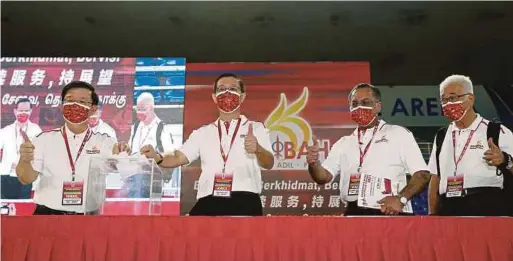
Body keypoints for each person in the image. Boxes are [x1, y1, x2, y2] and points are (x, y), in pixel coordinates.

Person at [140, 73, 274, 216]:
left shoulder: (256, 128)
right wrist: (156, 155)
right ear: (214, 97)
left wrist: (258, 149)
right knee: (188, 234)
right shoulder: (202, 133)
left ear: (242, 96)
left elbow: (269, 162)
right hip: (209, 199)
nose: (227, 93)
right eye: (222, 89)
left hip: (245, 199)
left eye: (233, 89)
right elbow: (177, 157)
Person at [306, 83, 431, 215]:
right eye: (354, 104)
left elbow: (422, 174)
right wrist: (314, 164)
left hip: (389, 211)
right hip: (354, 212)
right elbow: (323, 177)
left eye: (365, 102)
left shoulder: (398, 134)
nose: (359, 107)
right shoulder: (344, 143)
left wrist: (401, 199)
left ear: (378, 106)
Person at [16, 81, 130, 215]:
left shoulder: (105, 142)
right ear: (62, 106)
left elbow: (126, 166)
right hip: (47, 216)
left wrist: (123, 151)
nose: (75, 106)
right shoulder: (43, 140)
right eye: (70, 100)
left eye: (82, 101)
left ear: (93, 109)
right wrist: (24, 160)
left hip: (88, 217)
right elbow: (26, 179)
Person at [427, 75, 513, 216]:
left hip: (485, 204)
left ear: (470, 99)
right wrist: (432, 213)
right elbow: (435, 178)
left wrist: (505, 160)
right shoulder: (441, 135)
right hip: (449, 205)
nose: (448, 104)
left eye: (453, 98)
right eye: (444, 99)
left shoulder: (496, 131)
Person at [124, 92, 178, 198]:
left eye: (143, 109)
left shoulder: (162, 128)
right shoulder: (136, 126)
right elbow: (130, 149)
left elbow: (170, 157)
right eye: (137, 109)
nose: (139, 112)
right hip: (133, 179)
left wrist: (153, 158)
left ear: (152, 108)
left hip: (152, 181)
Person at [0, 98, 42, 199]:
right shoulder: (5, 131)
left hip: (26, 176)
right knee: (7, 208)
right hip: (7, 176)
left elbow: (42, 153)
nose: (23, 113)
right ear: (15, 111)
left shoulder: (36, 130)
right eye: (20, 110)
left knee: (23, 208)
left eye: (26, 110)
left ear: (31, 111)